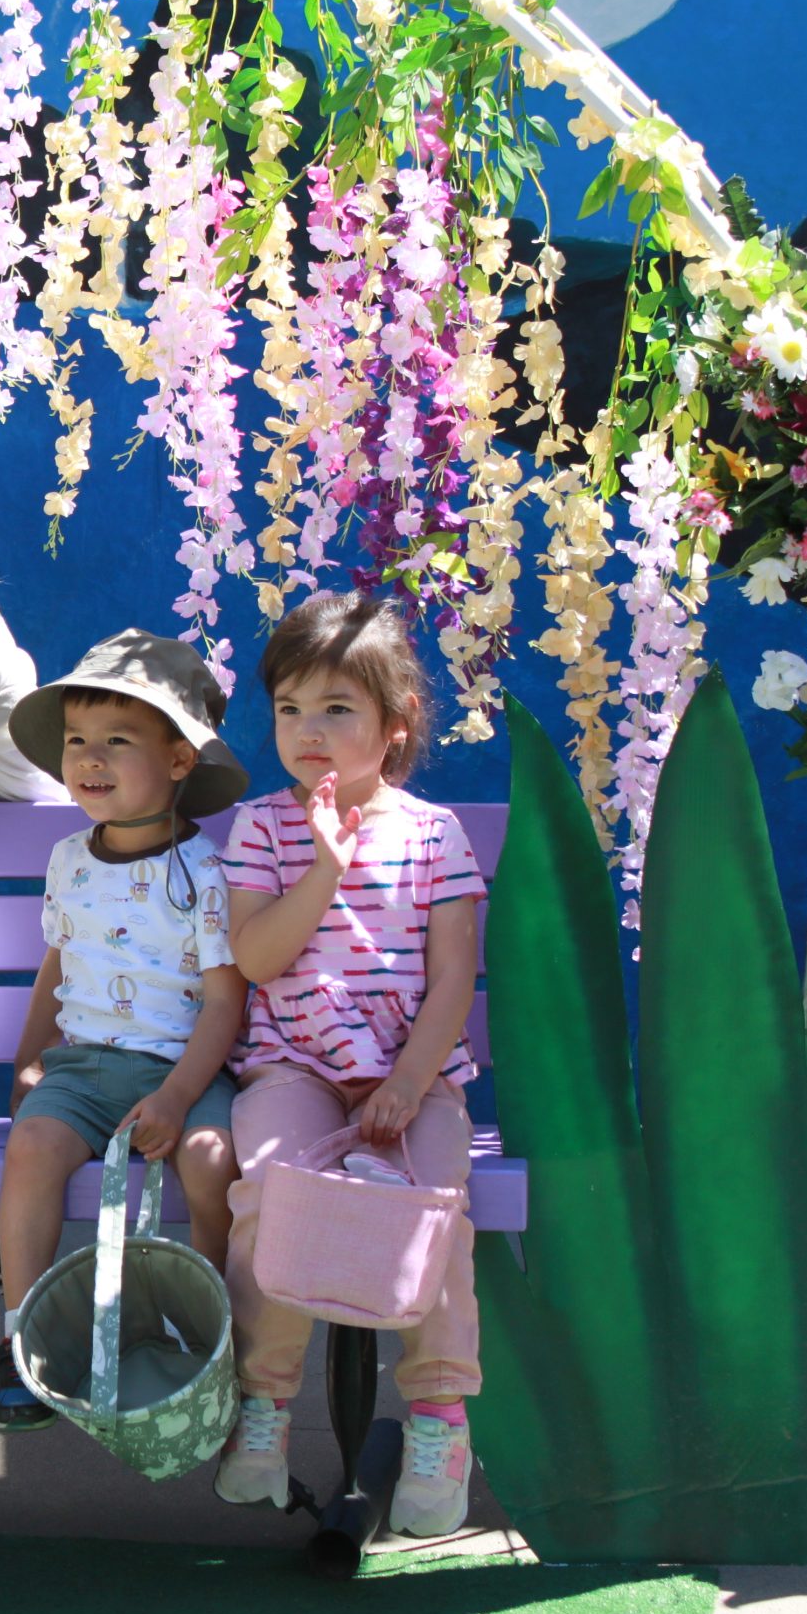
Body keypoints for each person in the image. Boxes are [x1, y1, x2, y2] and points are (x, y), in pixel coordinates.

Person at [212, 593, 488, 1538]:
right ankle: (263, 1403)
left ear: (395, 722)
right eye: (290, 708)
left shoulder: (434, 835)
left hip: (413, 1076)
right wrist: (325, 866)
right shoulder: (262, 828)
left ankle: (439, 1419)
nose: (308, 731)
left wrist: (409, 1083)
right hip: (294, 1067)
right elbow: (256, 960)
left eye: (336, 709)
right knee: (273, 1193)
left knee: (435, 1210)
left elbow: (453, 976)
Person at [0, 630, 252, 1429]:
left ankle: (208, 1331)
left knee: (211, 1161)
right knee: (31, 1146)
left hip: (185, 1073)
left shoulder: (208, 873)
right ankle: (23, 1337)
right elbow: (57, 962)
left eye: (117, 741)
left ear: (179, 760)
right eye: (76, 741)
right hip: (84, 1072)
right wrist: (29, 1057)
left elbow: (225, 1002)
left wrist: (176, 1096)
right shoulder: (68, 858)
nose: (89, 759)